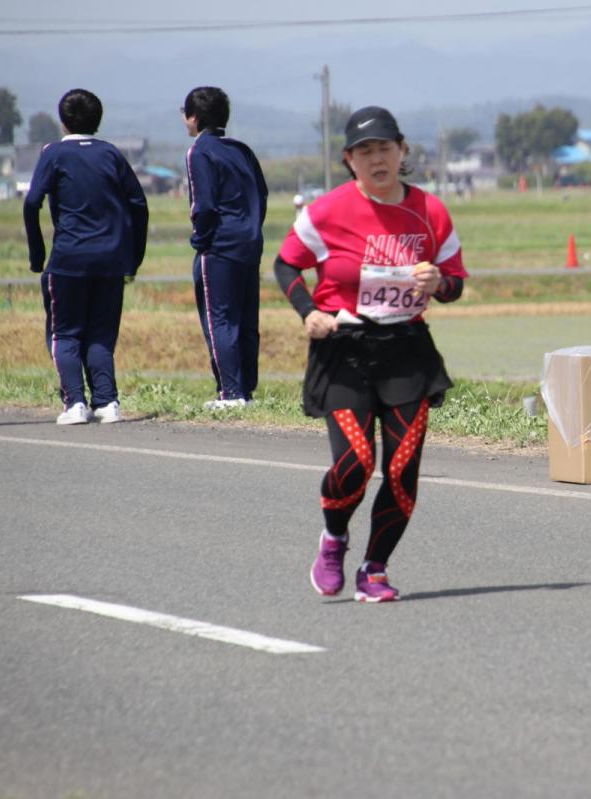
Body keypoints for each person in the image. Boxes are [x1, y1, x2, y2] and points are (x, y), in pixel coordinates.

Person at [274, 106, 468, 603]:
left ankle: (375, 569)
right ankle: (334, 537)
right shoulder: (324, 212)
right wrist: (306, 312)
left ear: (402, 152)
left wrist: (439, 282)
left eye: (385, 148)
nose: (376, 158)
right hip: (344, 348)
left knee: (402, 467)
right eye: (365, 151)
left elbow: (455, 284)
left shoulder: (431, 211)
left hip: (407, 349)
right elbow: (286, 264)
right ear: (349, 159)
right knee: (356, 463)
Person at [23, 89, 148, 425]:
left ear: (63, 121)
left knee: (65, 332)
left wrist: (38, 254)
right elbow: (138, 204)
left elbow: (31, 201)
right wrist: (133, 255)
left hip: (68, 259)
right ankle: (107, 403)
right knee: (101, 334)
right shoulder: (111, 154)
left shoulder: (54, 153)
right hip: (110, 260)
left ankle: (75, 402)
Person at [182, 86, 268, 411]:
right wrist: (252, 228)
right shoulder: (241, 149)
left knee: (220, 319)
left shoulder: (200, 151)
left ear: (194, 117)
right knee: (246, 320)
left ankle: (230, 393)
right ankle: (246, 390)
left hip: (220, 245)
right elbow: (261, 193)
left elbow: (203, 205)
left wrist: (200, 240)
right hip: (250, 242)